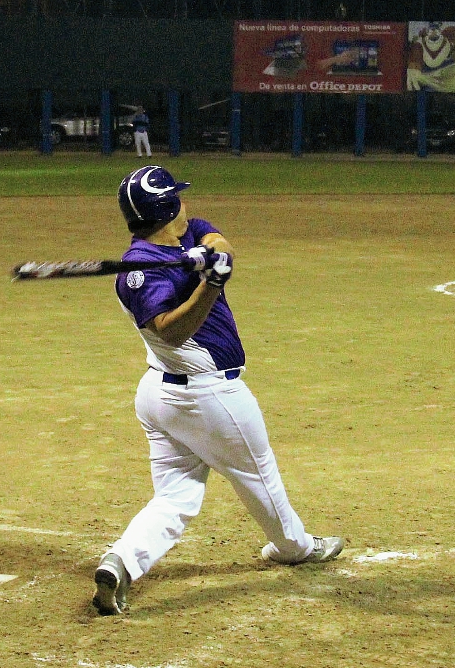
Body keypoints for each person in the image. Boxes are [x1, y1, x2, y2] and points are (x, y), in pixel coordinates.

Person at [91, 165, 345, 616]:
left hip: (163, 398)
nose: (188, 205)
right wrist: (211, 283)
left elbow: (219, 241)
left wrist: (212, 257)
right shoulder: (141, 273)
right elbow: (170, 330)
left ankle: (121, 562)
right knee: (260, 476)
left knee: (175, 497)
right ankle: (295, 547)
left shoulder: (187, 235)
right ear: (169, 208)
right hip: (207, 399)